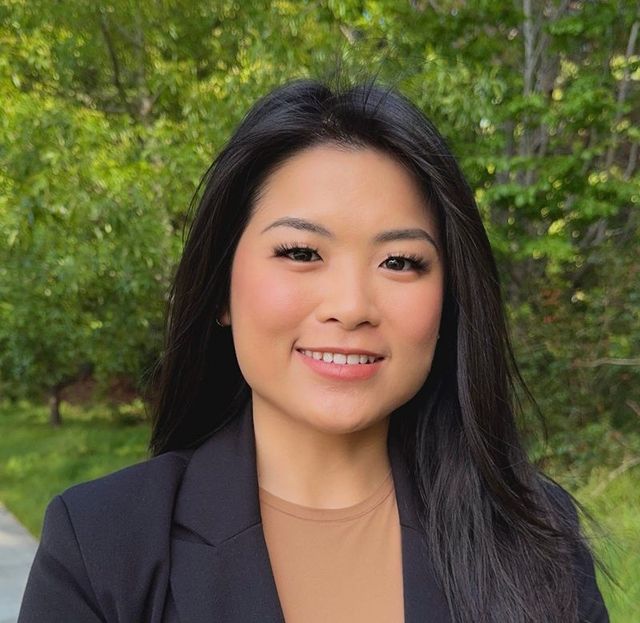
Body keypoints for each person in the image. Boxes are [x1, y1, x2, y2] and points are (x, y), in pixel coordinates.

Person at [18, 77, 610, 623]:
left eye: (399, 261)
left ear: (449, 298)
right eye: (301, 253)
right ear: (221, 288)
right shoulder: (101, 544)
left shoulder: (536, 533)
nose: (351, 306)